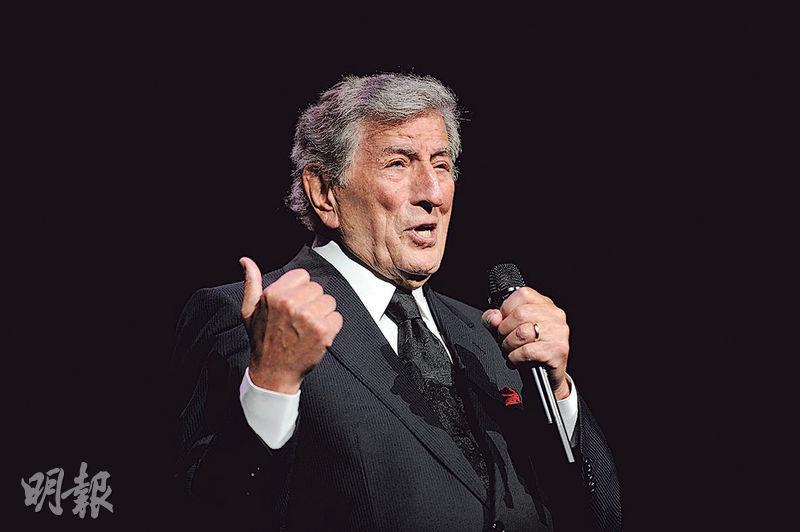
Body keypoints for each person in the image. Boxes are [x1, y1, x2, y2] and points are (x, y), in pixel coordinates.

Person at [171, 73, 622, 531]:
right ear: (324, 193)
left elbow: (599, 518)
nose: (432, 194)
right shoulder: (255, 320)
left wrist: (559, 394)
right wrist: (271, 383)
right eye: (398, 164)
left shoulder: (493, 337)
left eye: (441, 165)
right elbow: (208, 513)